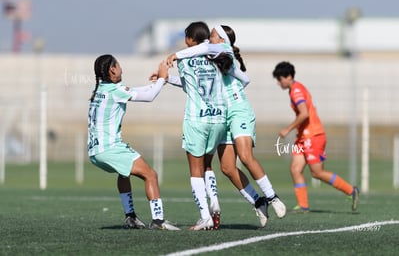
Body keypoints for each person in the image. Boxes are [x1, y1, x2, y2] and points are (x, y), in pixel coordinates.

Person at [166, 25, 286, 227]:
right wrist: (167, 78)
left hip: (238, 112)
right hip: (223, 115)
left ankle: (272, 197)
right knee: (228, 168)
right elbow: (244, 79)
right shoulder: (216, 56)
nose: (208, 38)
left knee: (246, 156)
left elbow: (200, 49)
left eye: (213, 35)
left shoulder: (221, 50)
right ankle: (258, 202)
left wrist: (175, 54)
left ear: (223, 40)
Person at [88, 54, 180, 230]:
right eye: (119, 64)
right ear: (112, 69)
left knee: (124, 174)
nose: (121, 68)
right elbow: (150, 96)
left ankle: (130, 217)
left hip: (95, 151)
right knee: (151, 175)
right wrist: (161, 77)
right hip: (110, 148)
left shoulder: (101, 90)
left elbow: (140, 90)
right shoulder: (115, 91)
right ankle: (158, 221)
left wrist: (161, 81)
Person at [160, 21, 229, 231]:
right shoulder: (217, 57)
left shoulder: (184, 60)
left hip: (196, 119)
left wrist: (165, 78)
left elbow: (188, 86)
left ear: (190, 39)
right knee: (208, 166)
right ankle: (214, 200)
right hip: (218, 119)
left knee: (195, 171)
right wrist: (168, 79)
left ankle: (205, 216)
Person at [272, 61, 360, 213]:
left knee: (317, 173)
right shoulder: (294, 89)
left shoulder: (296, 90)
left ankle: (351, 191)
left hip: (312, 136)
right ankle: (303, 205)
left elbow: (304, 113)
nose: (278, 83)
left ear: (288, 76)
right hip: (303, 137)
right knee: (295, 169)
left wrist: (288, 129)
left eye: (279, 79)